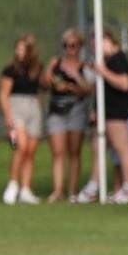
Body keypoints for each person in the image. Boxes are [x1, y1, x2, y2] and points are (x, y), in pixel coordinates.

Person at [74, 28, 128, 204]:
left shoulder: (118, 59)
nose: (95, 48)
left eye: (99, 43)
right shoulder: (107, 60)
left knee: (123, 149)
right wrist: (95, 109)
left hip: (116, 112)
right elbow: (99, 88)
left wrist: (103, 72)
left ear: (109, 41)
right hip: (106, 111)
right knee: (97, 147)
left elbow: (124, 83)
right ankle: (93, 187)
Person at [44, 29, 95, 202]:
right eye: (66, 45)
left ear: (80, 47)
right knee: (58, 152)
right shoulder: (55, 62)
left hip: (76, 110)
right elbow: (44, 81)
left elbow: (89, 90)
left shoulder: (85, 67)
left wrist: (73, 83)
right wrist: (53, 81)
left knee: (74, 152)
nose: (70, 49)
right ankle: (57, 190)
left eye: (73, 45)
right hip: (56, 110)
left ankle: (72, 191)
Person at [0, 33, 43, 205]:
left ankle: (25, 189)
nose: (19, 52)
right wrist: (7, 116)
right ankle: (13, 184)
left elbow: (39, 89)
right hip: (16, 108)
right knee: (19, 146)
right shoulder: (10, 70)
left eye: (23, 48)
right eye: (17, 48)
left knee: (31, 151)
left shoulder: (37, 68)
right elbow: (3, 94)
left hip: (33, 108)